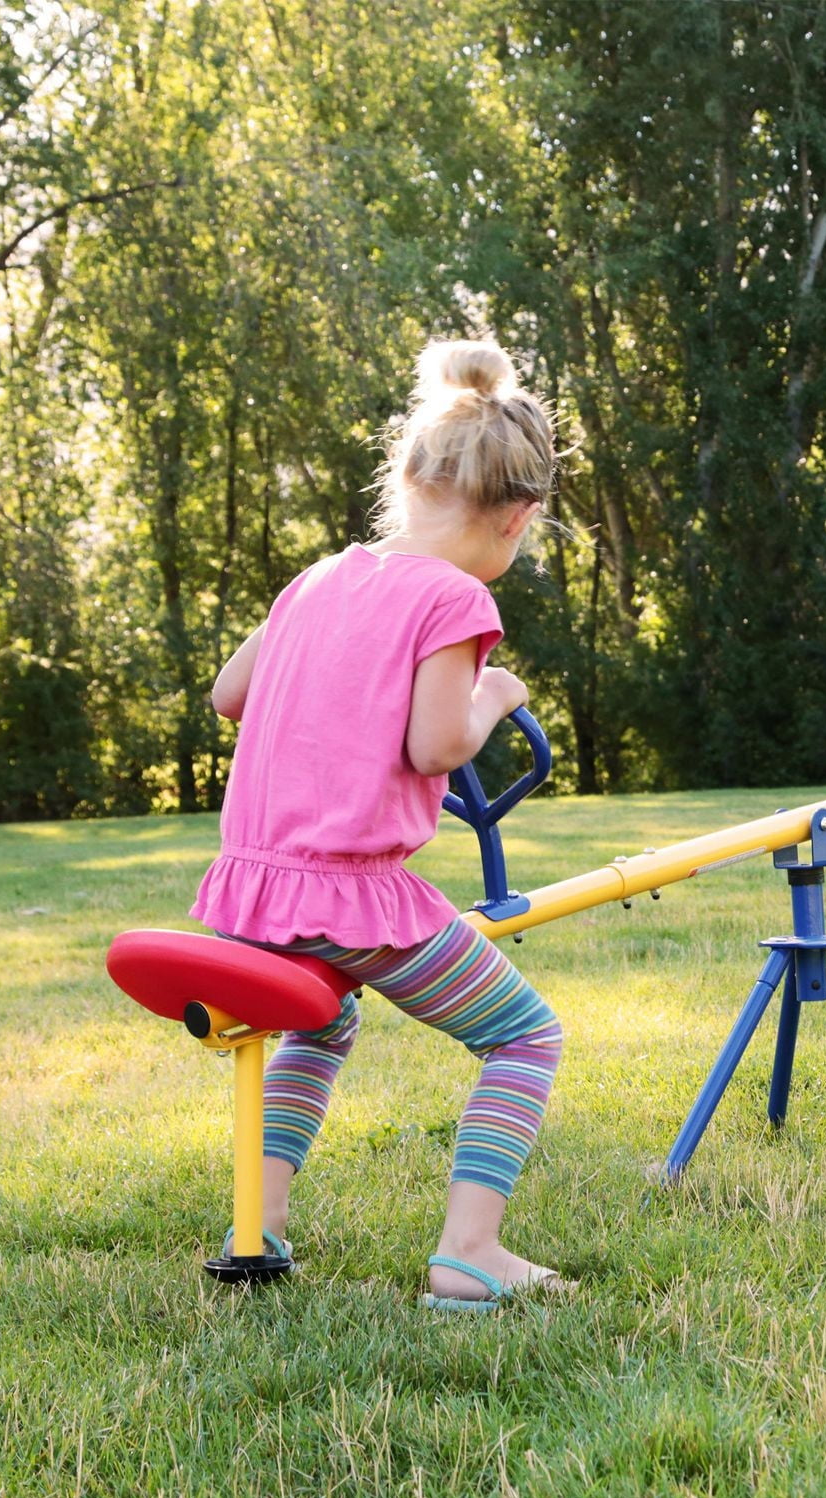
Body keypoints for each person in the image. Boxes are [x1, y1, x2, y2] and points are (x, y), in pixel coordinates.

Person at [193, 338, 567, 1310]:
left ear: (405, 477)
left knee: (321, 1021)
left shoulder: (317, 581)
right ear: (520, 518)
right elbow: (441, 746)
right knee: (524, 1038)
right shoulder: (453, 596)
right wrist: (494, 694)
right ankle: (470, 1252)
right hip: (353, 897)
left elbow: (229, 694)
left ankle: (257, 1223)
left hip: (252, 889)